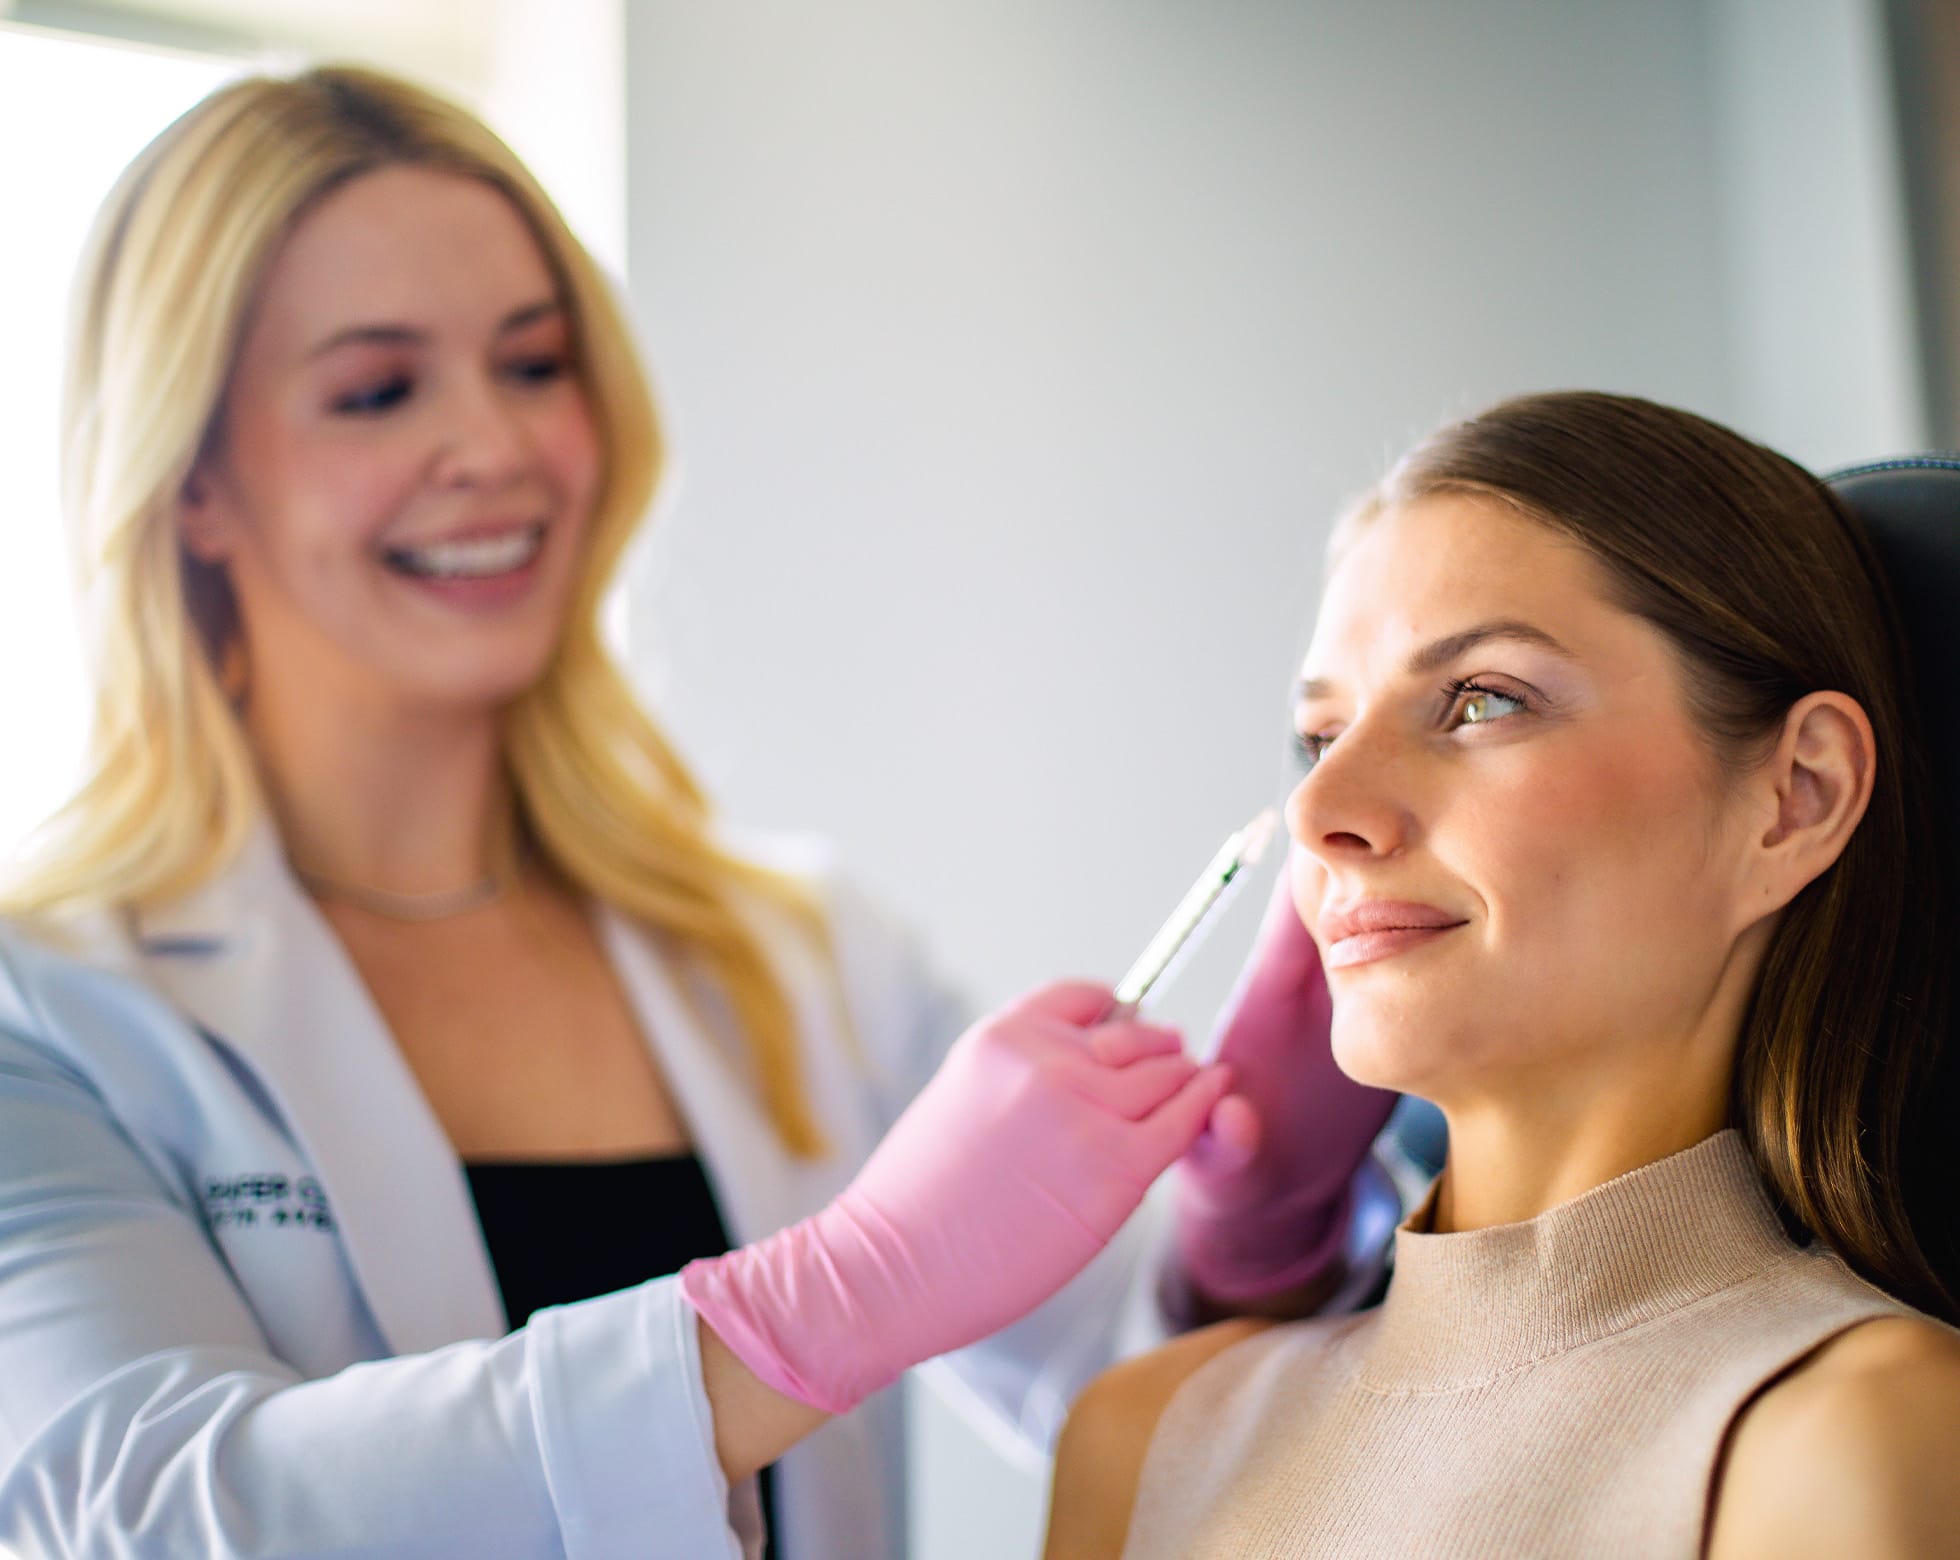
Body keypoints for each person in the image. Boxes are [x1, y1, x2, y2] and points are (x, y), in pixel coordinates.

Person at [0, 65, 1399, 1560]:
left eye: (535, 364)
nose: (496, 447)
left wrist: (1259, 1233)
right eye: (377, 391)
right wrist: (829, 1300)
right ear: (193, 483)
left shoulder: (807, 959)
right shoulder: (53, 1014)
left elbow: (1147, 1413)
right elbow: (143, 1509)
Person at [1043, 392, 1960, 1559]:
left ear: (1796, 797)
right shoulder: (1140, 1440)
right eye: (1320, 738)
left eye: (1480, 700)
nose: (1319, 811)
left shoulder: (1851, 1432)